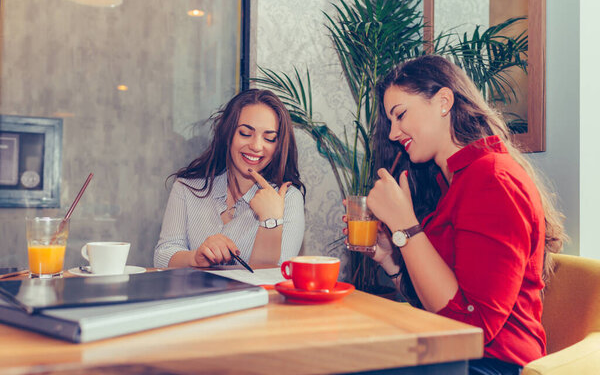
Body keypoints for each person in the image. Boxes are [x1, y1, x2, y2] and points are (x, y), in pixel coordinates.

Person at [351, 55, 565, 375]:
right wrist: (390, 258)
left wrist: (405, 227)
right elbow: (438, 304)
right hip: (454, 354)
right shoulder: (452, 182)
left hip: (494, 365)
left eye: (400, 115)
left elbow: (471, 326)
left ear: (443, 101)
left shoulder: (492, 179)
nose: (394, 133)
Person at [154, 89, 305, 269]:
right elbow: (163, 256)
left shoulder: (288, 198)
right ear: (228, 135)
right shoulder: (186, 187)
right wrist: (196, 258)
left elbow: (273, 278)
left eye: (269, 138)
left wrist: (270, 222)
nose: (256, 146)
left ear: (279, 146)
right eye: (245, 133)